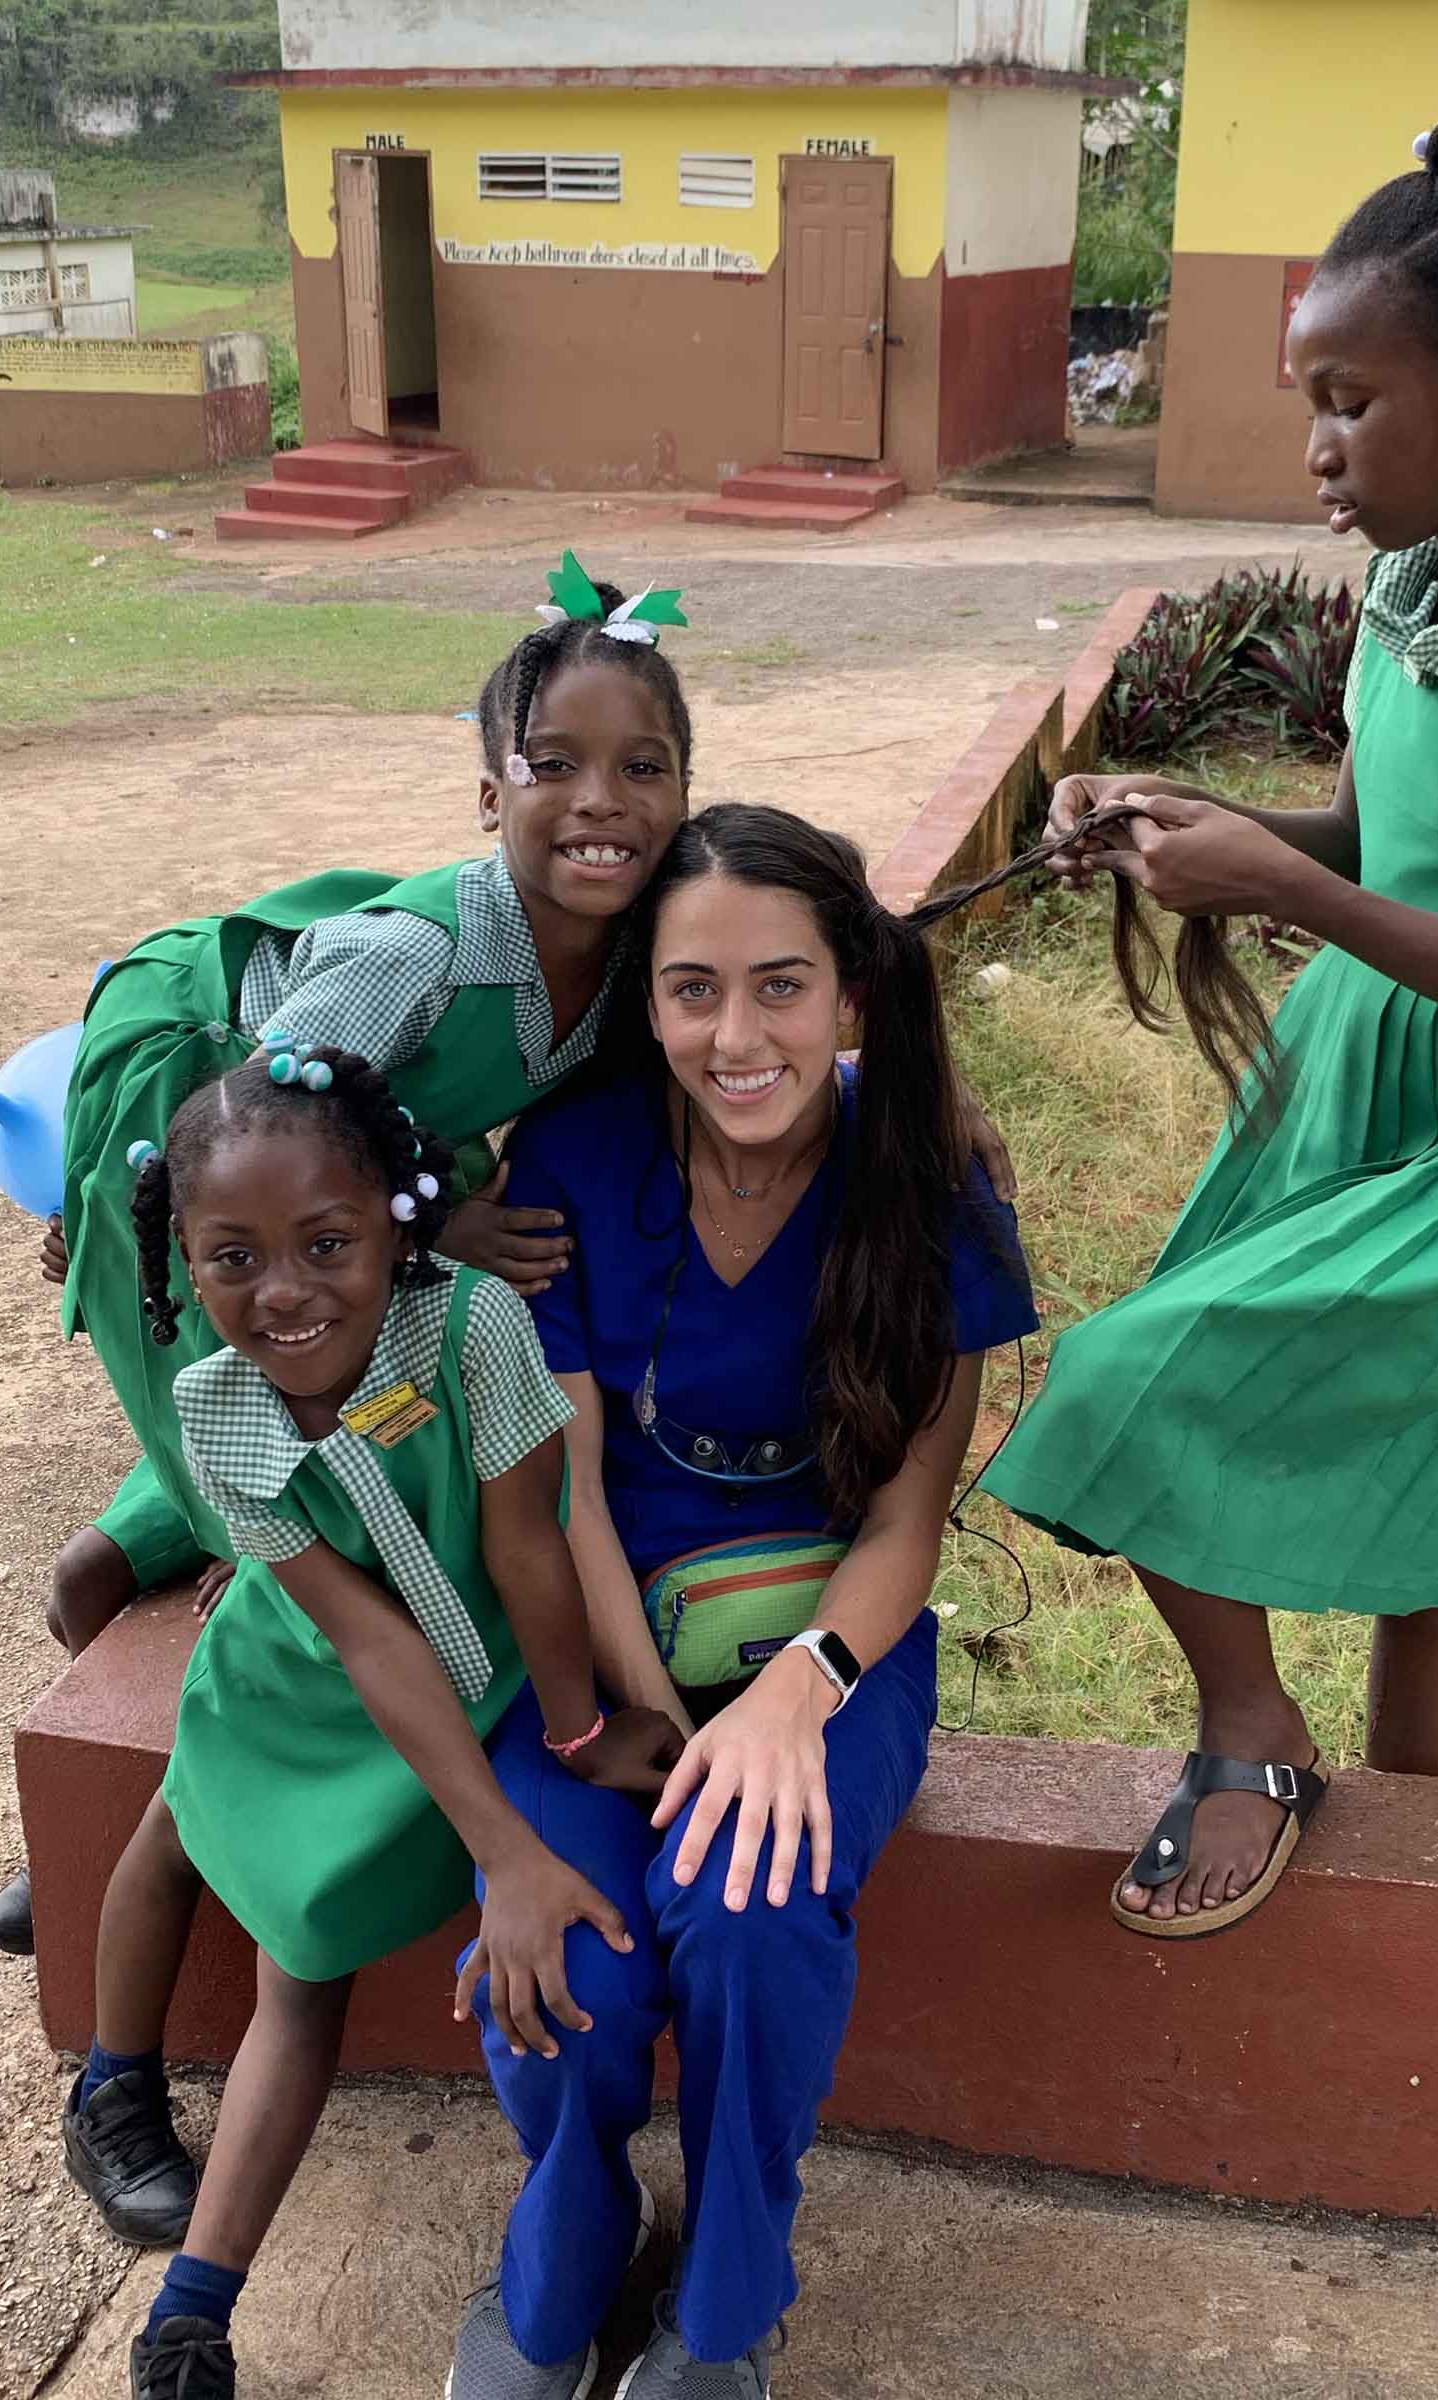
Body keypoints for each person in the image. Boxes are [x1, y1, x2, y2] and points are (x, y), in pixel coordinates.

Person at [981, 108, 1438, 1939]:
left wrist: (1287, 895)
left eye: (1347, 399)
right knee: (1376, 1453)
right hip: (1369, 1078)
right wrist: (1183, 819)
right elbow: (1397, 847)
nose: (1314, 448)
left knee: (1162, 1387)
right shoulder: (1407, 583)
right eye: (1307, 397)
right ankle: (1302, 1757)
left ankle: (1308, 1773)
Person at [0, 556, 697, 1955]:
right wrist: (435, 1217)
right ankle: (134, 1835)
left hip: (352, 1141)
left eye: (642, 767)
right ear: (491, 794)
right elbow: (278, 1114)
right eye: (555, 762)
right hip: (210, 1103)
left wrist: (911, 1089)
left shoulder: (619, 940)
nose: (601, 799)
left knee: (327, 1399)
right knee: (264, 1434)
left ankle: (136, 1592)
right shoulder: (414, 952)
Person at [443, 806, 1038, 2399]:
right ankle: (561, 2260)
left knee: (753, 1925)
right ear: (646, 1002)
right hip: (593, 1628)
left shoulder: (931, 1190)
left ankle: (725, 2302)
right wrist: (637, 1711)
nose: (735, 1035)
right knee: (569, 1951)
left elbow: (911, 1518)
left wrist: (791, 1696)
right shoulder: (576, 1164)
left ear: (851, 992)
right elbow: (563, 1486)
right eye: (692, 990)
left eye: (780, 986)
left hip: (833, 1641)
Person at [60, 1046, 683, 2400]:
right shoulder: (213, 1403)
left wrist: (571, 1745)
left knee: (301, 1963)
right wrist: (506, 1849)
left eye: (325, 1241)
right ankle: (110, 2083)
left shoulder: (467, 1332)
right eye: (231, 1258)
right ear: (184, 1259)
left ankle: (190, 2309)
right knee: (177, 1834)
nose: (282, 1291)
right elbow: (355, 1628)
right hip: (292, 1682)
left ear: (398, 1215)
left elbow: (531, 1552)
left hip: (441, 1705)